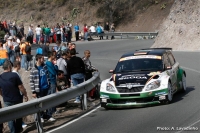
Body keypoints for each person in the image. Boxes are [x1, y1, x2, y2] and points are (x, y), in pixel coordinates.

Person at [0, 60, 28, 133]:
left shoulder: (0, 77)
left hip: (7, 100)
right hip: (17, 99)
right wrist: (25, 95)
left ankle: (13, 132)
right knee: (18, 115)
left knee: (10, 118)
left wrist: (3, 95)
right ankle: (18, 130)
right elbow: (21, 87)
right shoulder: (14, 75)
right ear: (9, 67)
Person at [30, 54, 55, 122]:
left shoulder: (44, 66)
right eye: (42, 58)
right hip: (39, 89)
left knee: (48, 102)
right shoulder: (33, 69)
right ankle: (41, 116)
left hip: (46, 87)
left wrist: (49, 84)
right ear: (38, 59)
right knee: (40, 104)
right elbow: (31, 81)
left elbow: (47, 76)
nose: (43, 60)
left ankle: (48, 115)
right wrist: (33, 91)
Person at [12, 61, 28, 129]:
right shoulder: (15, 74)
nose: (20, 67)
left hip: (17, 94)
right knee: (19, 110)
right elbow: (20, 85)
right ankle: (20, 123)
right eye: (20, 65)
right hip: (18, 94)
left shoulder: (15, 73)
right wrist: (24, 93)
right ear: (18, 65)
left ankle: (20, 123)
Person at [45, 52, 58, 118]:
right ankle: (50, 111)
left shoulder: (51, 63)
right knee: (52, 96)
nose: (54, 56)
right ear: (51, 56)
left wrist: (55, 64)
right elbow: (53, 72)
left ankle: (53, 109)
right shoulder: (48, 63)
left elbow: (56, 70)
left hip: (53, 81)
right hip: (51, 81)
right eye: (53, 55)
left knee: (54, 96)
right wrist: (55, 66)